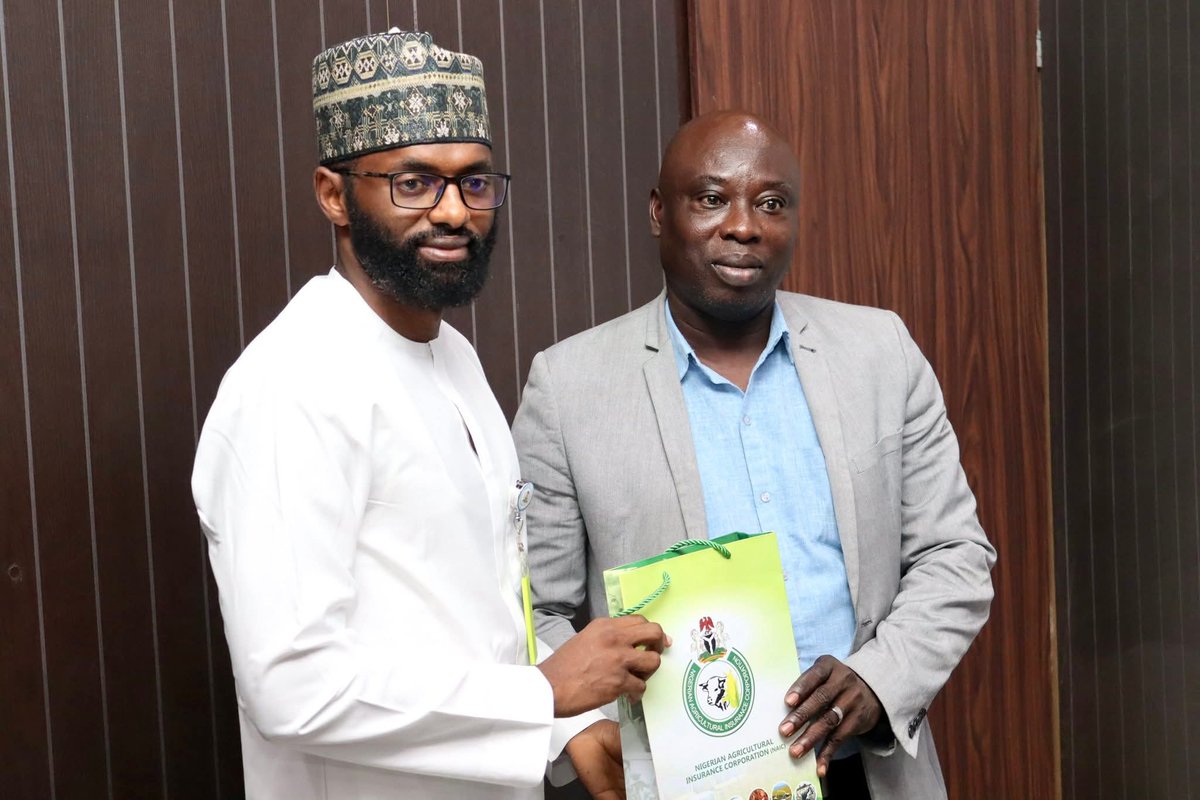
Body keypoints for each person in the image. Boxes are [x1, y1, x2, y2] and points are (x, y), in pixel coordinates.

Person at [191, 29, 666, 800]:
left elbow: (473, 618)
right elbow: (292, 688)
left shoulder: (452, 357)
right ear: (333, 194)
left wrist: (567, 730)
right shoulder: (293, 384)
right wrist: (542, 696)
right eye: (414, 183)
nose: (453, 211)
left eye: (475, 183)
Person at [511, 110, 996, 800]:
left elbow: (957, 556)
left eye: (771, 203)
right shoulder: (569, 387)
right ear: (660, 212)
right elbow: (533, 607)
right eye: (711, 199)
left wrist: (879, 679)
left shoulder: (880, 352)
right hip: (684, 784)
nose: (744, 225)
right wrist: (589, 728)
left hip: (870, 773)